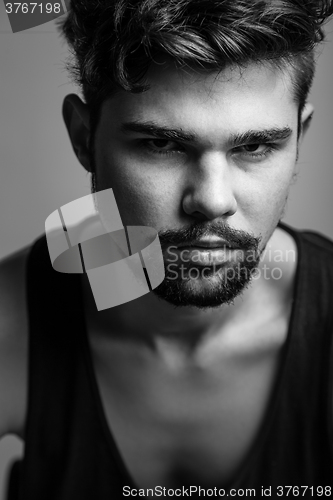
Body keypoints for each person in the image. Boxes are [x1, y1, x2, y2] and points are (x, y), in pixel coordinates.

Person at [1, 0, 333, 498]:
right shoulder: (11, 322)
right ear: (84, 137)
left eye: (255, 147)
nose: (212, 201)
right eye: (162, 145)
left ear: (299, 140)